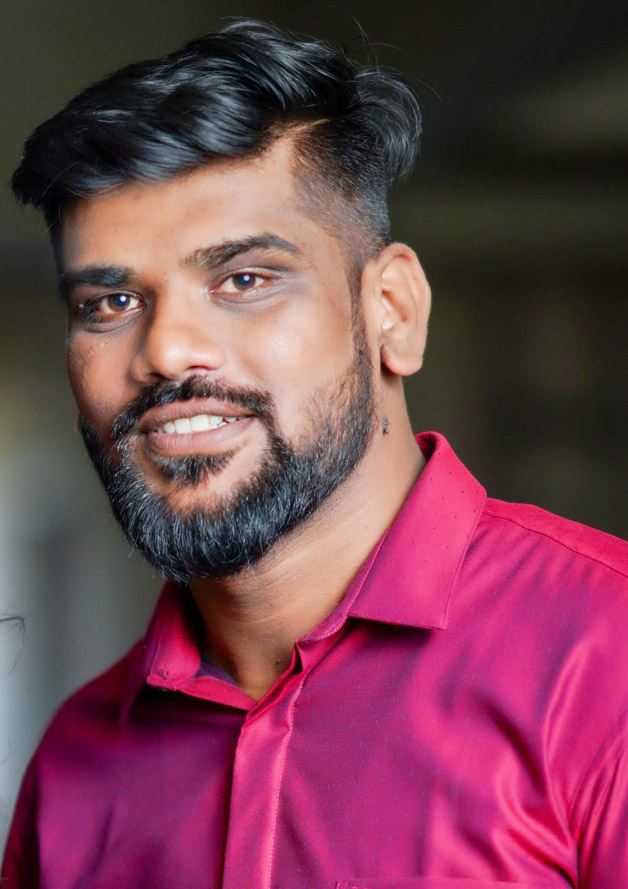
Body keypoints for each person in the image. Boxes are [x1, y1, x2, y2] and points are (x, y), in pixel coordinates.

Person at [3, 18, 628, 889]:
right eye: (110, 304)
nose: (168, 351)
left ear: (393, 312)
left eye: (244, 279)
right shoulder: (73, 768)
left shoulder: (606, 658)